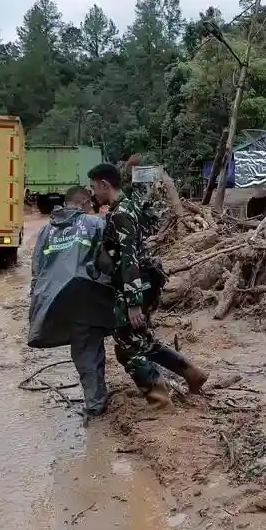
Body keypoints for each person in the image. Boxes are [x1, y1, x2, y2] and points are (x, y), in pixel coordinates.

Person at [87, 161, 209, 407]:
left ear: (104, 184)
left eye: (93, 187)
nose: (92, 193)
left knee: (127, 349)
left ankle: (159, 398)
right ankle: (193, 375)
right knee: (142, 341)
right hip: (143, 282)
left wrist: (133, 304)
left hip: (134, 286)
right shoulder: (127, 206)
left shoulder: (121, 213)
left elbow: (128, 258)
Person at [27, 186, 116, 416]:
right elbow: (109, 259)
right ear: (85, 202)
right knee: (91, 345)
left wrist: (36, 303)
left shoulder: (46, 230)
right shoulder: (94, 224)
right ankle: (96, 404)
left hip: (55, 299)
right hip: (85, 294)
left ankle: (95, 398)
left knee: (81, 348)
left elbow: (37, 269)